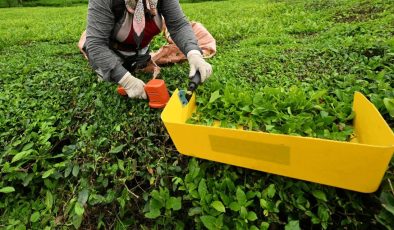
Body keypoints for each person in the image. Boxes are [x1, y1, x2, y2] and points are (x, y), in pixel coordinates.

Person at [82, 0, 213, 99]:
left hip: (141, 52)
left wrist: (194, 54)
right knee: (109, 78)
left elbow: (178, 25)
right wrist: (126, 80)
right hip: (111, 52)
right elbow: (96, 44)